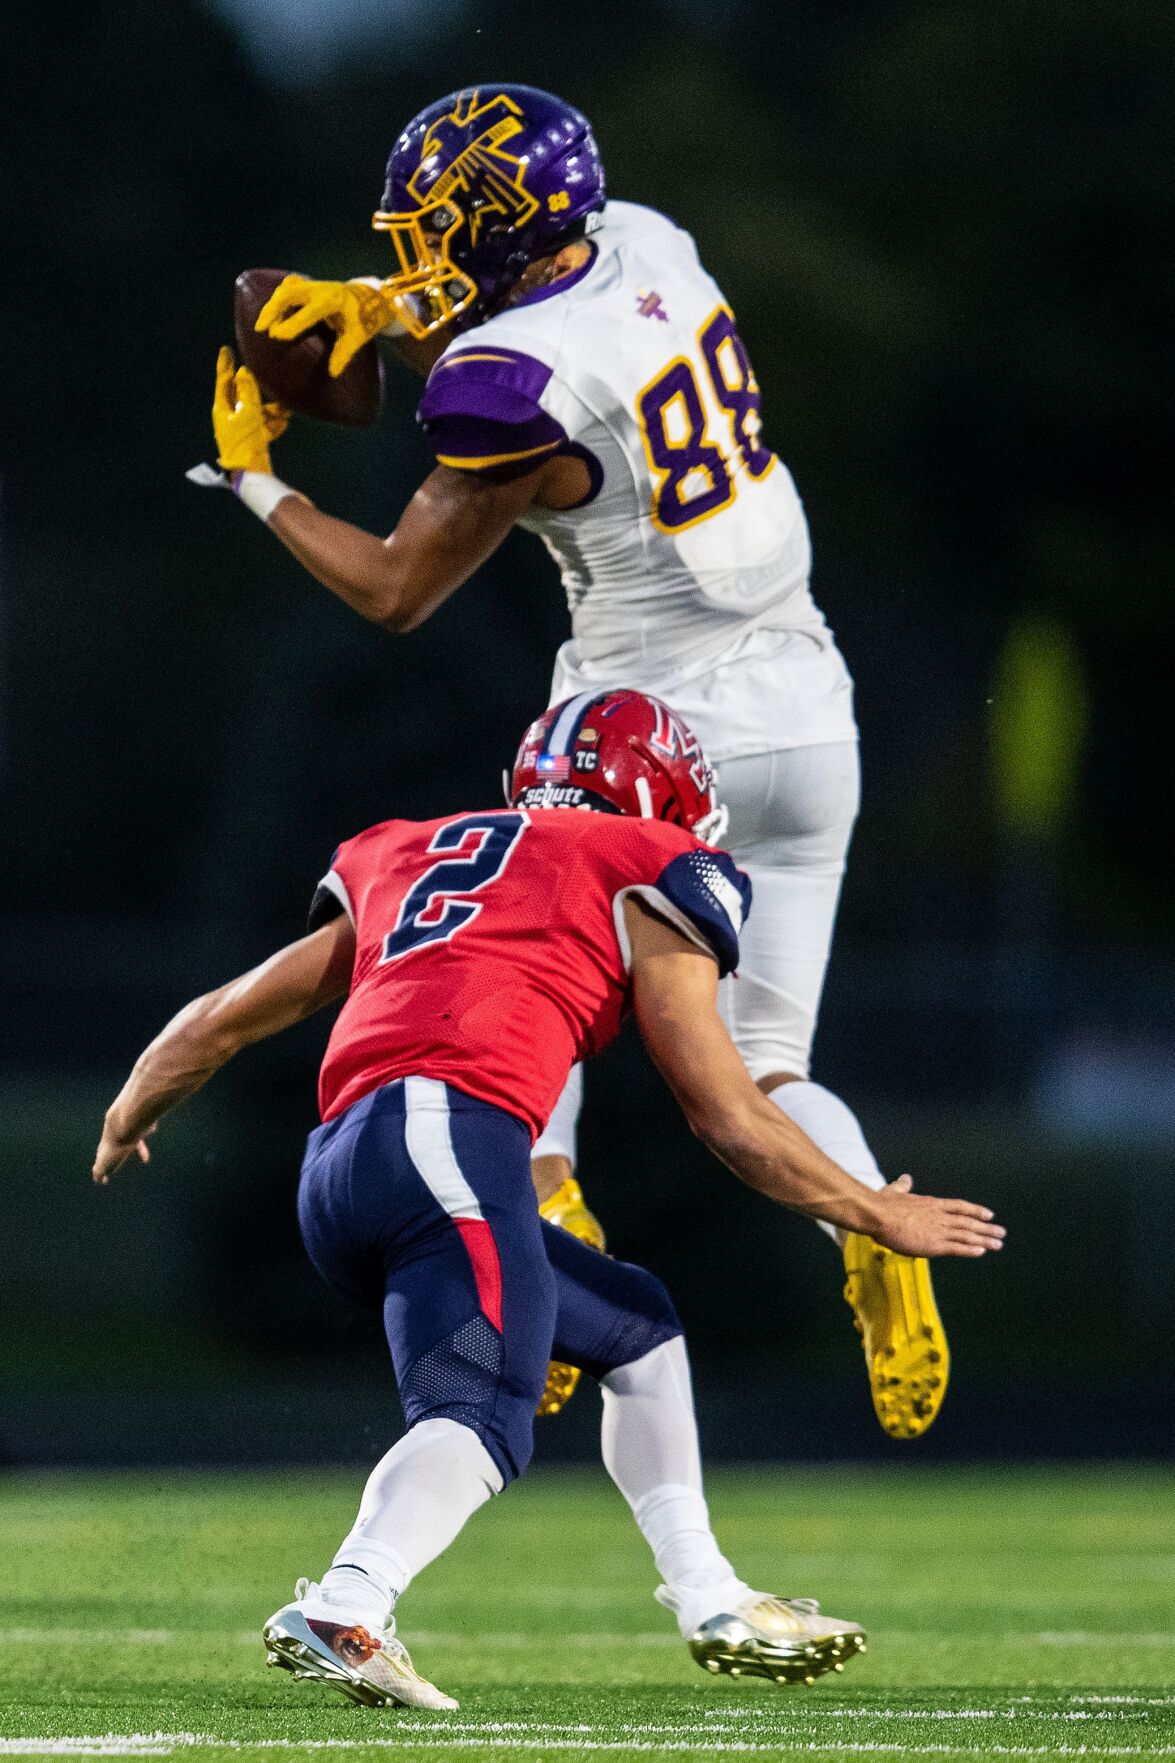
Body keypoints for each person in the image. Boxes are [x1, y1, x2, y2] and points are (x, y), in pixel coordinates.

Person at [194, 86, 940, 1439]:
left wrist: (253, 477)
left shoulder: (504, 392)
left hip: (648, 728)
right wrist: (378, 305)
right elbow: (535, 348)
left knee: (503, 951)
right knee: (770, 1060)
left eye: (429, 226)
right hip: (807, 709)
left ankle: (537, 1220)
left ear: (488, 224)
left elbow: (396, 587)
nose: (411, 246)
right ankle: (867, 1213)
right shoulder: (647, 237)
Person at [94, 692, 1002, 1711]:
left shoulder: (409, 848)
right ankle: (351, 1597)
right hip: (449, 1134)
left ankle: (708, 1592)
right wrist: (873, 1212)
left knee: (635, 1322)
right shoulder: (646, 862)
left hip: (341, 1165)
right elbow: (726, 1115)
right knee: (481, 1411)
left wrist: (131, 1107)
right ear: (664, 794)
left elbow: (220, 1018)